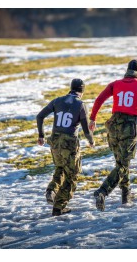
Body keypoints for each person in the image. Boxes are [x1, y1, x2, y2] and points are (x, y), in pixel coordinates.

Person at [89, 59, 137, 211]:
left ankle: (126, 194)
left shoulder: (115, 83)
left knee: (121, 162)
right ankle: (102, 191)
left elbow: (99, 99)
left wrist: (93, 118)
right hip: (128, 125)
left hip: (113, 124)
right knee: (123, 164)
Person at [36, 79, 95, 216]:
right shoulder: (81, 105)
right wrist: (91, 141)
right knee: (72, 175)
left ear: (71, 88)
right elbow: (86, 130)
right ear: (82, 91)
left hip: (55, 141)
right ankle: (59, 206)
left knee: (60, 168)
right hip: (69, 143)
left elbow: (40, 116)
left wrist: (41, 135)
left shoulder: (57, 100)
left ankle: (51, 191)